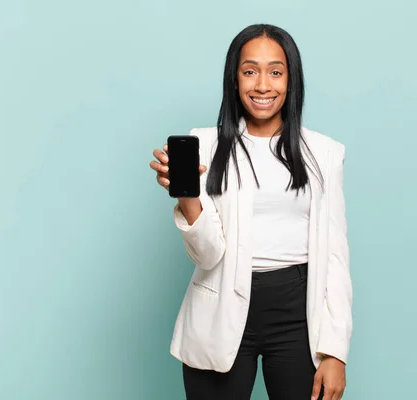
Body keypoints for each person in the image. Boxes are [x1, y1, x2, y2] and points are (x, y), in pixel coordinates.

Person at [149, 23, 352, 400]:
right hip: (219, 308)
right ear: (234, 78)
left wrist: (335, 351)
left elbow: (336, 258)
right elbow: (208, 254)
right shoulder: (205, 145)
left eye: (275, 71)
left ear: (291, 80)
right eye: (249, 71)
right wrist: (188, 196)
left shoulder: (324, 153)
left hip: (298, 317)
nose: (262, 85)